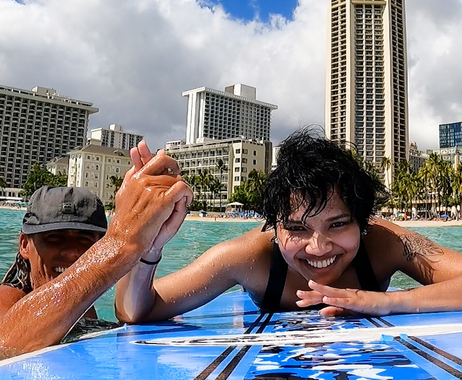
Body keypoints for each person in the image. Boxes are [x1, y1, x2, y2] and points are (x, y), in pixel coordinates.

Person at [115, 128, 462, 323]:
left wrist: (384, 302)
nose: (319, 247)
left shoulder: (387, 244)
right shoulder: (248, 259)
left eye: (338, 224)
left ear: (363, 221)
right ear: (274, 227)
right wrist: (148, 246)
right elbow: (134, 311)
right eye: (297, 229)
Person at [0, 146, 192, 360]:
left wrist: (150, 245)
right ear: (25, 245)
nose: (72, 251)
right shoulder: (0, 300)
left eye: (84, 239)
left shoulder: (85, 309)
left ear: (97, 244)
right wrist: (122, 245)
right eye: (54, 237)